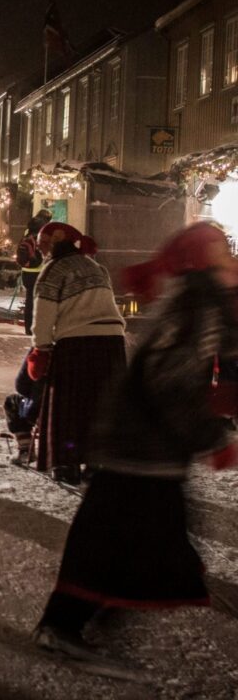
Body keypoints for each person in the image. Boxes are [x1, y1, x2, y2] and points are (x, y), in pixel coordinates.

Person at [34, 222, 238, 662]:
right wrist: (212, 436)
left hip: (138, 446)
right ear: (203, 260)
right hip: (144, 450)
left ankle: (72, 625)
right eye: (222, 249)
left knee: (129, 545)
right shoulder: (198, 305)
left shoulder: (201, 300)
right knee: (138, 549)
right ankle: (68, 627)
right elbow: (170, 381)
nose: (232, 255)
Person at [28, 222, 126, 484]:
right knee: (101, 405)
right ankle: (98, 461)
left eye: (45, 242)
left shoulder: (53, 270)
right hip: (112, 343)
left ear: (56, 243)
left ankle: (65, 462)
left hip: (76, 342)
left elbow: (44, 315)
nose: (41, 247)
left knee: (68, 405)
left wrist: (41, 349)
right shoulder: (97, 267)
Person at [16, 209, 52, 335]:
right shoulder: (43, 235)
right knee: (40, 301)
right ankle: (38, 328)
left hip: (26, 271)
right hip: (39, 271)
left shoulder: (27, 232)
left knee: (29, 299)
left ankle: (28, 328)